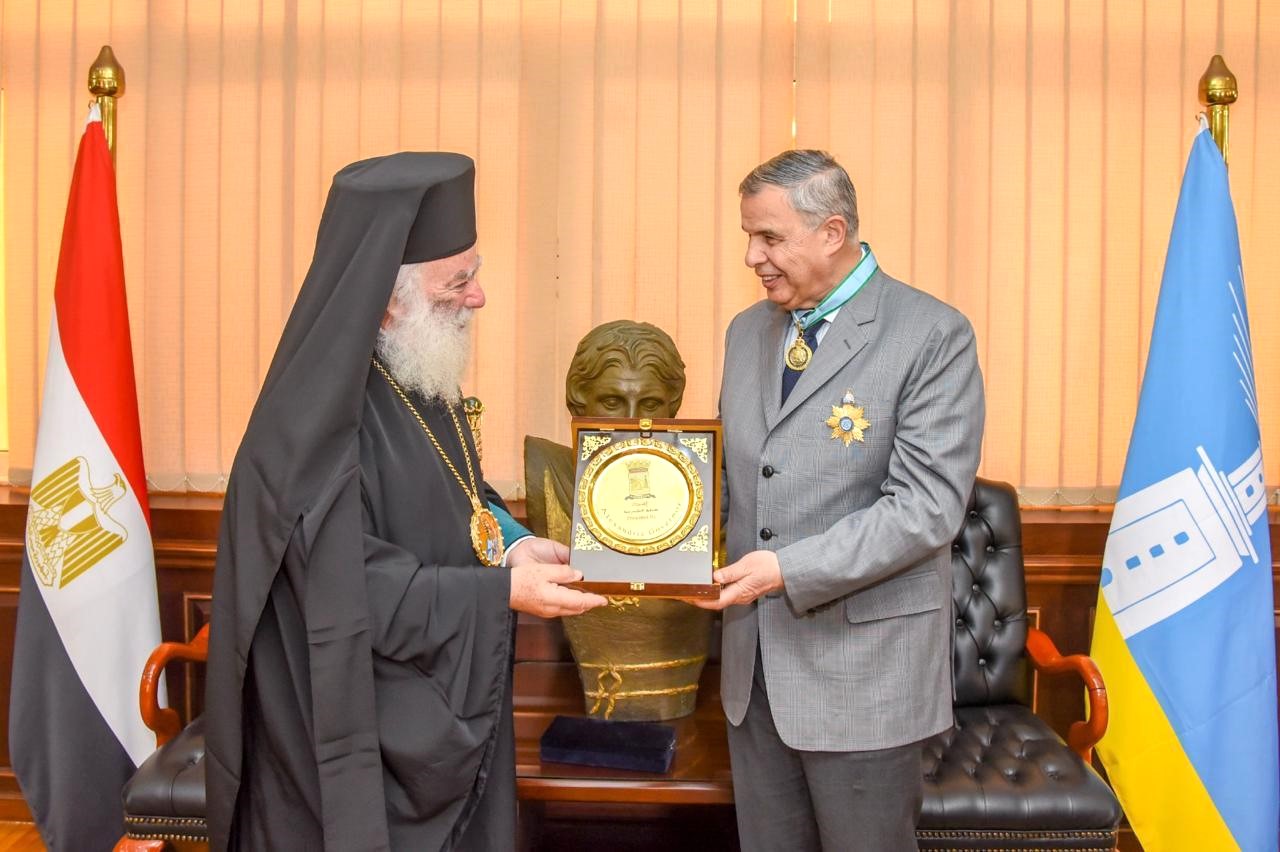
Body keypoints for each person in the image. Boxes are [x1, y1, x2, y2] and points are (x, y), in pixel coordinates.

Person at [204, 152, 607, 852]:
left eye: (474, 274)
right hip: (348, 729)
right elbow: (347, 584)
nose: (479, 298)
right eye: (459, 282)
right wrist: (501, 595)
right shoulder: (314, 422)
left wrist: (512, 544)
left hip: (432, 690)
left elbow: (458, 493)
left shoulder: (417, 372)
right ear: (388, 299)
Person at [696, 149, 985, 850]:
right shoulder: (746, 331)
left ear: (831, 233)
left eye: (769, 237)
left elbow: (925, 508)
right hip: (754, 674)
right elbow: (736, 482)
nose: (752, 257)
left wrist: (785, 570)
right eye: (748, 236)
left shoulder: (931, 334)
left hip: (865, 677)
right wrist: (655, 553)